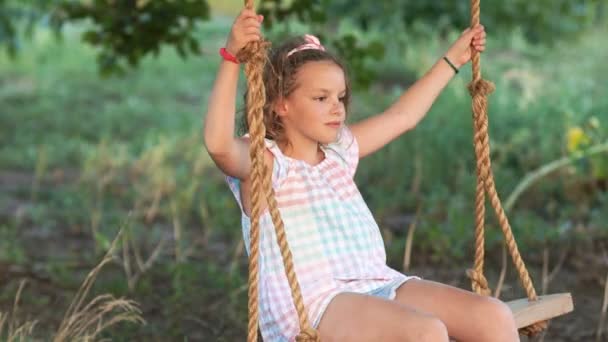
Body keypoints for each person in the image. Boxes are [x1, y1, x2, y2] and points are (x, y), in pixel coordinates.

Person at [204, 8, 519, 342]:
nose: (337, 108)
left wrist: (453, 59)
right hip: (313, 307)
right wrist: (230, 58)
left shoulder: (337, 154)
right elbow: (219, 146)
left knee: (492, 315)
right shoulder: (267, 163)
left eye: (340, 97)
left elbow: (403, 116)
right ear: (281, 104)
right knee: (425, 333)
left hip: (376, 284)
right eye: (321, 98)